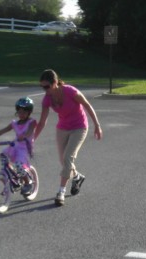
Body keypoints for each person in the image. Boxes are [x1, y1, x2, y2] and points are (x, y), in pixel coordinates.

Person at [34, 69, 103, 206]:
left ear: (55, 83)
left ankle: (61, 192)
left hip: (79, 127)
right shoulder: (47, 99)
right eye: (42, 87)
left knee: (67, 158)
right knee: (63, 161)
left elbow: (87, 105)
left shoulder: (70, 91)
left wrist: (97, 125)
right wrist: (32, 139)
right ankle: (77, 177)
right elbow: (42, 122)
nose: (44, 89)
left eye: (46, 86)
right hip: (62, 128)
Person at [0, 97, 37, 195]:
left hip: (25, 148)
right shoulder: (14, 123)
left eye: (24, 112)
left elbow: (30, 131)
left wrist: (24, 136)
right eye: (19, 112)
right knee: (3, 156)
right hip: (15, 146)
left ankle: (27, 183)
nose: (21, 114)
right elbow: (2, 131)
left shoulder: (31, 122)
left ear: (29, 112)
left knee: (19, 165)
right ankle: (14, 179)